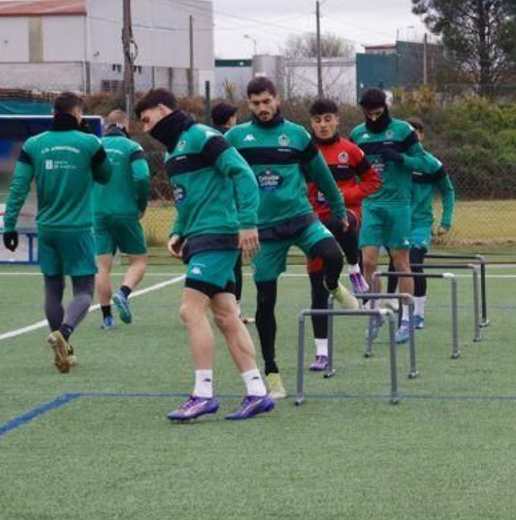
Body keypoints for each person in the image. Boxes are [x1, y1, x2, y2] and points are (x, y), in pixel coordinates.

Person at [135, 88, 270, 421]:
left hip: (217, 234)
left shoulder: (202, 136)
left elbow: (242, 173)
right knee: (226, 316)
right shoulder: (171, 154)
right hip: (199, 237)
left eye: (147, 119)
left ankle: (203, 394)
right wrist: (179, 230)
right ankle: (257, 392)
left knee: (189, 310)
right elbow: (187, 199)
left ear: (163, 109)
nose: (145, 128)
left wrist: (248, 222)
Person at [226, 76, 357, 399]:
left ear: (277, 99)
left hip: (301, 219)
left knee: (332, 255)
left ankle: (332, 285)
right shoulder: (236, 137)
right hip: (263, 232)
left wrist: (339, 208)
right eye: (255, 103)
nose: (262, 108)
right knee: (266, 302)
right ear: (249, 104)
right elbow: (220, 178)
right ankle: (272, 373)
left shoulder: (297, 135)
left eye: (266, 101)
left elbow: (321, 175)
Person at [1, 92, 112, 372]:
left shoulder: (34, 144)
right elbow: (105, 175)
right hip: (78, 229)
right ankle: (64, 333)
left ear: (53, 113)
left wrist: (9, 225)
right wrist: (91, 145)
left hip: (47, 229)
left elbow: (19, 186)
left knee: (53, 287)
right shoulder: (89, 142)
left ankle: (64, 350)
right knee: (85, 290)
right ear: (78, 114)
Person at [351, 87, 441, 346]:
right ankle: (376, 313)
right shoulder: (358, 134)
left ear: (386, 108)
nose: (375, 118)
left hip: (399, 205)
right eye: (370, 114)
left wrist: (400, 158)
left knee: (401, 262)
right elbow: (353, 168)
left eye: (379, 113)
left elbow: (424, 163)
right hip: (371, 204)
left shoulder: (403, 131)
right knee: (368, 262)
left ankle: (406, 320)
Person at [304, 97, 381, 372]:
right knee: (317, 288)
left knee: (342, 220)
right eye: (317, 120)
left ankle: (354, 267)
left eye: (328, 119)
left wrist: (346, 195)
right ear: (311, 123)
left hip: (348, 213)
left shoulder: (351, 151)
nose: (323, 125)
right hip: (313, 222)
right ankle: (321, 353)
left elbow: (373, 180)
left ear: (337, 120)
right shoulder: (305, 151)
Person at [93, 110, 150, 330]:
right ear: (125, 126)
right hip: (125, 211)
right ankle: (123, 292)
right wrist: (141, 205)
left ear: (108, 125)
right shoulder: (132, 147)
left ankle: (107, 318)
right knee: (139, 261)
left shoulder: (94, 146)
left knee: (102, 266)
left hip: (98, 212)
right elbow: (143, 176)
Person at [408, 117, 456, 331]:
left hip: (420, 224)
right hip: (396, 224)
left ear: (422, 135)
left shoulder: (431, 164)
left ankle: (418, 313)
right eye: (407, 133)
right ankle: (393, 308)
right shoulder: (395, 161)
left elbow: (447, 191)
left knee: (414, 264)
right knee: (393, 266)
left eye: (415, 132)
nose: (412, 137)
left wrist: (445, 221)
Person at [210, 101, 251, 323]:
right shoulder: (236, 139)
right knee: (234, 261)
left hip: (209, 208)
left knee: (212, 258)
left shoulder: (203, 137)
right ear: (230, 119)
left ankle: (213, 304)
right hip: (232, 209)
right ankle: (233, 310)